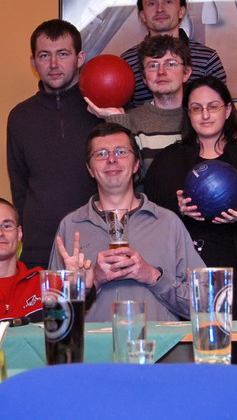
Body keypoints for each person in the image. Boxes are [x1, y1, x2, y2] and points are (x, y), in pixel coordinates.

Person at [49, 122, 205, 322]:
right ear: (90, 169)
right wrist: (93, 281)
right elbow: (54, 317)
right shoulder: (71, 226)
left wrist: (153, 276)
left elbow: (205, 305)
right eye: (101, 154)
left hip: (155, 342)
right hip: (93, 343)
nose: (111, 159)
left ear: (136, 164)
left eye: (121, 152)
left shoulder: (168, 223)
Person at [144, 76, 237, 319]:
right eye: (197, 108)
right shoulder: (167, 161)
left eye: (213, 106)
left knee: (235, 341)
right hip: (183, 283)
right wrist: (177, 211)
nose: (205, 115)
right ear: (188, 113)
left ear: (227, 110)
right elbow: (149, 219)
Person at [7, 19, 101, 270]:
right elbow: (19, 186)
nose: (53, 64)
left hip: (96, 246)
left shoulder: (101, 110)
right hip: (39, 250)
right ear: (33, 62)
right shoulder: (20, 116)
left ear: (80, 58)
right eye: (44, 55)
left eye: (63, 54)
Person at [87, 34, 192, 177]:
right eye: (153, 65)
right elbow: (128, 178)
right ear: (144, 78)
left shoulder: (200, 117)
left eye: (171, 64)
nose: (161, 72)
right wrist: (117, 121)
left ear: (186, 73)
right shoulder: (129, 121)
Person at [121, 0, 226, 108]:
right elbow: (123, 115)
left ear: (181, 11)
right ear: (142, 15)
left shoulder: (207, 59)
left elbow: (218, 111)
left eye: (168, 2)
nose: (160, 9)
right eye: (152, 3)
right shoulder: (126, 63)